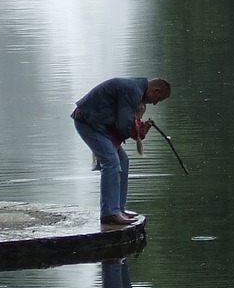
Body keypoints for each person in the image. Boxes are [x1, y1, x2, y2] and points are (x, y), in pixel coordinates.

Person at [71, 77, 171, 226]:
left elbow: (125, 122)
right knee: (111, 163)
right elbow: (123, 124)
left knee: (123, 161)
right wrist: (137, 132)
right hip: (88, 122)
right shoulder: (133, 90)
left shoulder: (135, 89)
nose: (155, 103)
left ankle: (119, 210)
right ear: (155, 90)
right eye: (158, 99)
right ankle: (109, 213)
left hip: (99, 126)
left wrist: (139, 128)